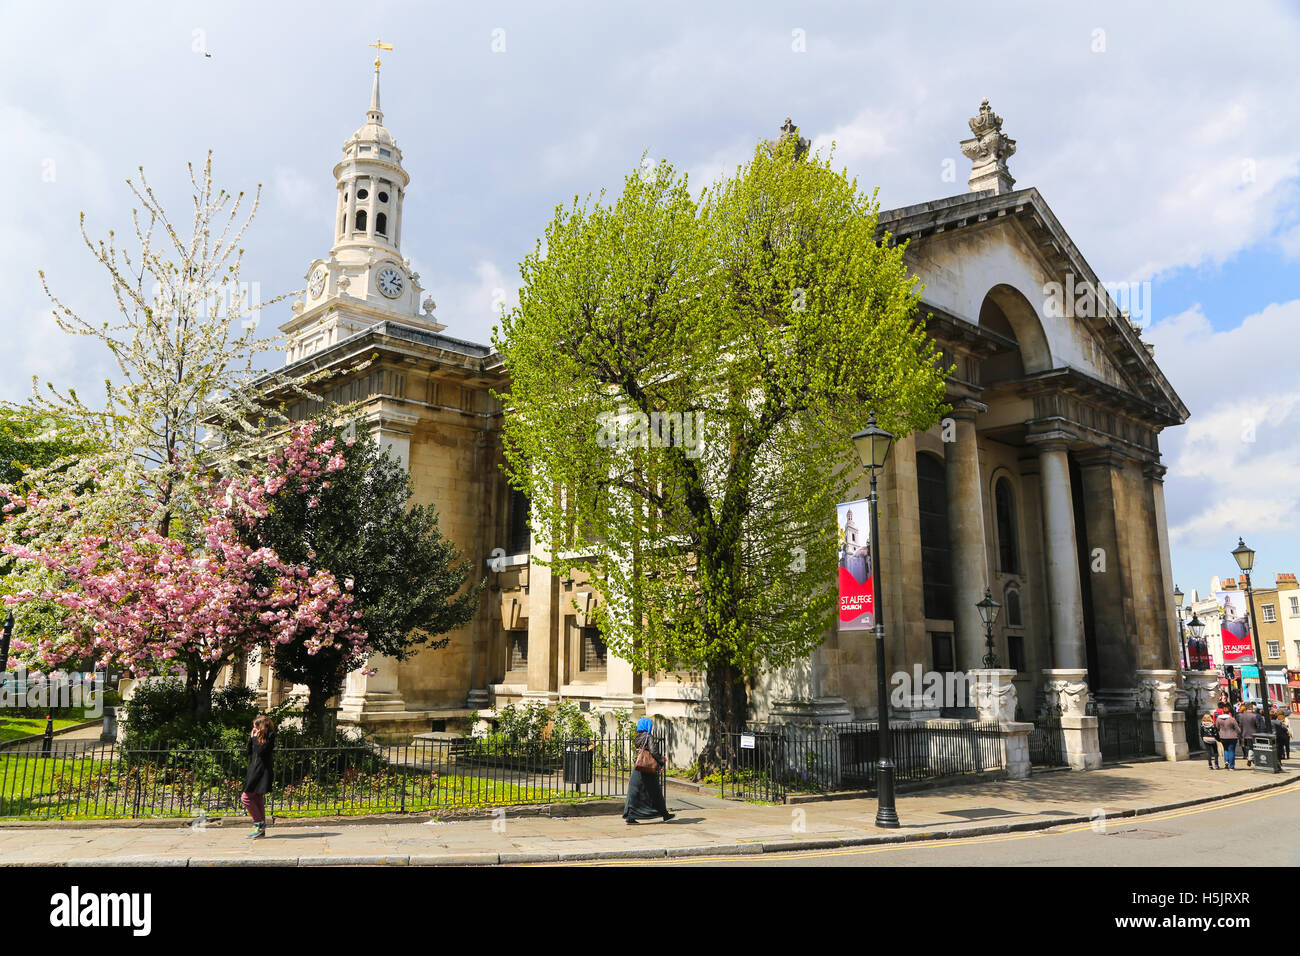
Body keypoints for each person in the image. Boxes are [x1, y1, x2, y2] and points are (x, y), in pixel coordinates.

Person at [622, 717, 675, 825]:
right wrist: (661, 761)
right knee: (655, 792)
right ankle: (665, 814)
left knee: (635, 792)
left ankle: (630, 816)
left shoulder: (637, 737)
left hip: (638, 768)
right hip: (647, 769)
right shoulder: (648, 736)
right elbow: (653, 751)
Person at [241, 715, 276, 838]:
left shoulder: (270, 736)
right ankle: (261, 828)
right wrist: (252, 739)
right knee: (257, 798)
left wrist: (255, 738)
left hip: (261, 771)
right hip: (254, 769)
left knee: (245, 798)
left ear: (261, 727)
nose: (254, 730)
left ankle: (258, 823)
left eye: (255, 727)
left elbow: (261, 752)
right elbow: (249, 752)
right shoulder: (257, 738)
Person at [1214, 706, 1242, 770]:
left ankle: (1226, 761)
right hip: (1232, 737)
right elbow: (1237, 729)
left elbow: (1217, 728)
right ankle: (1231, 766)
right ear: (1229, 712)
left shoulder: (1218, 719)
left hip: (1223, 737)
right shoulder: (1232, 719)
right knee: (1231, 751)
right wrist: (1238, 733)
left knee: (1225, 749)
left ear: (1223, 712)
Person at [1238, 703, 1261, 767]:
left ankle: (1250, 758)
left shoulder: (1241, 716)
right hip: (1253, 734)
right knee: (1254, 747)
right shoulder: (1254, 716)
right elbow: (1258, 725)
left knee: (1249, 746)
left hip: (1245, 734)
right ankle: (1252, 758)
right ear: (1251, 708)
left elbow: (1240, 725)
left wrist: (1241, 734)